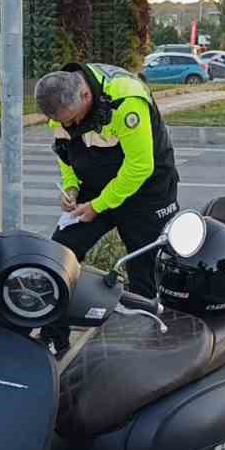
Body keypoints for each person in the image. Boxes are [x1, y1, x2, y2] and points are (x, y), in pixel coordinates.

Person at [34, 62, 181, 351]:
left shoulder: (126, 100)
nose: (70, 126)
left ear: (86, 96)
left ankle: (146, 342)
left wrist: (99, 206)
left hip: (148, 190)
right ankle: (53, 336)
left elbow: (140, 166)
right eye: (64, 123)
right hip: (97, 188)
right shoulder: (61, 110)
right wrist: (72, 187)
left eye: (73, 120)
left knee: (145, 268)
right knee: (60, 252)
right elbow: (66, 156)